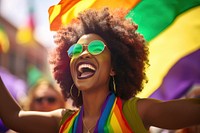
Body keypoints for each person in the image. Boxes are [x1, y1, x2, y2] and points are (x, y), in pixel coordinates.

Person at [0, 7, 200, 133]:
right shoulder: (63, 121)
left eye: (96, 48)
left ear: (114, 68)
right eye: (76, 49)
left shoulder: (136, 112)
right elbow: (13, 117)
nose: (83, 54)